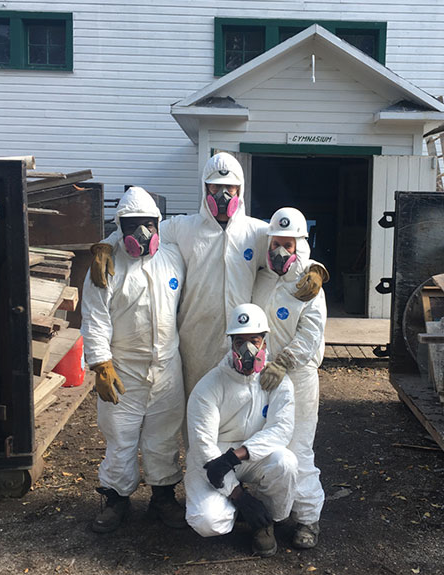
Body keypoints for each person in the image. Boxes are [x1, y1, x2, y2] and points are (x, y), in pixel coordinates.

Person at [89, 153, 328, 398]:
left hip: (242, 335)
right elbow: (143, 228)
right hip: (196, 340)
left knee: (243, 409)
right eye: (215, 187)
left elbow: (290, 243)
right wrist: (107, 245)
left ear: (240, 189)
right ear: (205, 188)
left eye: (230, 188)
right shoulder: (184, 228)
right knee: (196, 407)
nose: (222, 196)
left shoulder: (256, 232)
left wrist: (313, 268)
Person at [81, 186, 187, 533]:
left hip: (167, 367)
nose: (141, 233)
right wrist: (100, 364)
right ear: (119, 226)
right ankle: (116, 500)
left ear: (159, 223)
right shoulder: (106, 265)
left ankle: (163, 498)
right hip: (123, 367)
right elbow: (95, 317)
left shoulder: (173, 256)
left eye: (147, 224)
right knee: (120, 437)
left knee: (164, 437)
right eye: (131, 225)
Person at [184, 303, 298, 557]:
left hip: (250, 456)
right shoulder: (210, 386)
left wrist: (239, 455)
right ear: (231, 344)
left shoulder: (277, 382)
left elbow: (281, 429)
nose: (247, 349)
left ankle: (265, 522)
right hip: (214, 459)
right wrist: (239, 496)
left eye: (254, 341)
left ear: (264, 344)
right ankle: (240, 506)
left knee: (286, 462)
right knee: (207, 522)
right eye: (239, 341)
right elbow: (203, 447)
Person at [252, 207, 327, 549]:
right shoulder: (260, 276)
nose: (280, 252)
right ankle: (265, 515)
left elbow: (311, 334)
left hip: (295, 375)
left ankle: (308, 520)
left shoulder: (309, 285)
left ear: (300, 246)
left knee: (298, 447)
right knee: (263, 446)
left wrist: (283, 361)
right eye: (276, 243)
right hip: (260, 375)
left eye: (289, 245)